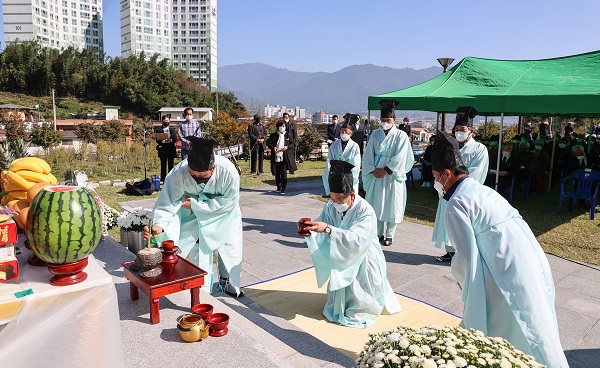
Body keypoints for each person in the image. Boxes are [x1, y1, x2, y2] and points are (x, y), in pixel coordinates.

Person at [429, 131, 568, 368]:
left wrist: (462, 278)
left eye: (435, 176)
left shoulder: (456, 204)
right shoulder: (480, 189)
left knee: (520, 319)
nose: (435, 181)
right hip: (527, 254)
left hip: (507, 264)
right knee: (536, 316)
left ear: (447, 174)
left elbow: (466, 256)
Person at [301, 160, 401, 328]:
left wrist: (329, 230)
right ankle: (340, 306)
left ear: (352, 195)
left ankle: (360, 308)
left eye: (339, 199)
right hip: (341, 252)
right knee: (340, 286)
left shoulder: (365, 211)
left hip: (363, 256)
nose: (335, 203)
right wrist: (309, 228)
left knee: (360, 297)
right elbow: (322, 222)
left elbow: (357, 240)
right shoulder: (331, 206)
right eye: (332, 199)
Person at [144, 137, 244, 297]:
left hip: (223, 213)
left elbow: (229, 202)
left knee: (228, 243)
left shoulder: (228, 172)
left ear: (214, 168)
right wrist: (160, 225)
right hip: (189, 212)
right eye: (193, 175)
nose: (197, 178)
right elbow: (167, 202)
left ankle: (225, 281)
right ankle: (197, 284)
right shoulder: (178, 173)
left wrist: (198, 205)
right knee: (190, 243)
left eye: (202, 175)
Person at [433, 107, 488, 262]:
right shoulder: (450, 147)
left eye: (462, 129)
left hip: (464, 193)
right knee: (448, 222)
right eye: (456, 129)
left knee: (463, 223)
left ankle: (463, 253)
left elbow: (476, 173)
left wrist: (456, 187)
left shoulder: (479, 149)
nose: (459, 132)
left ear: (471, 131)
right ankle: (450, 251)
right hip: (446, 190)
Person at [362, 99, 414, 247]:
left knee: (392, 205)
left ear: (394, 120)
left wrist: (387, 170)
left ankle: (390, 234)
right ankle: (378, 232)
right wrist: (372, 169)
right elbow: (368, 154)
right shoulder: (375, 134)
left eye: (388, 120)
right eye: (383, 120)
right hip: (376, 174)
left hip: (392, 176)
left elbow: (402, 155)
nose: (385, 122)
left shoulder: (401, 136)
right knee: (376, 204)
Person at [321, 119, 361, 197]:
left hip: (348, 175)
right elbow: (329, 160)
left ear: (351, 133)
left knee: (348, 199)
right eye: (342, 131)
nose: (343, 133)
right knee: (337, 199)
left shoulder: (354, 146)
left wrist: (346, 173)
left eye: (346, 132)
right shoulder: (334, 145)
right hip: (336, 175)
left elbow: (356, 164)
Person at [267, 120, 296, 194]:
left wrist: (287, 147)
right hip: (276, 156)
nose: (282, 128)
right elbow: (268, 143)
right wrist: (273, 147)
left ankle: (283, 187)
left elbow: (293, 144)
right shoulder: (274, 135)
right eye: (280, 126)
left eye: (283, 126)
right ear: (277, 127)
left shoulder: (288, 135)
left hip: (285, 156)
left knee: (283, 173)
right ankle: (278, 186)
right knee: (277, 173)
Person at [155, 115, 179, 183]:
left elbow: (175, 139)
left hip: (171, 148)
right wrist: (162, 140)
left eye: (168, 121)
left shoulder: (172, 130)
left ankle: (171, 178)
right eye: (165, 121)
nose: (166, 122)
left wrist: (170, 140)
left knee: (171, 164)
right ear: (162, 121)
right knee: (163, 164)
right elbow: (157, 139)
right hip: (163, 149)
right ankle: (163, 179)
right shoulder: (159, 129)